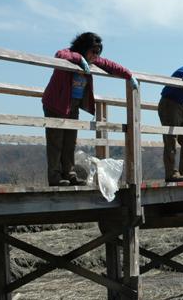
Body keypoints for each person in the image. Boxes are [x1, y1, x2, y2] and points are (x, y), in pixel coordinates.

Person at [41, 32, 136, 187]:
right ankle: (55, 177)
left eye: (98, 52)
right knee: (56, 141)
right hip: (56, 103)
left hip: (73, 105)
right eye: (93, 52)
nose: (95, 56)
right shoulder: (69, 54)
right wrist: (80, 59)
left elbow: (110, 65)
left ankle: (69, 174)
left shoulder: (93, 60)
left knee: (70, 141)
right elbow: (59, 55)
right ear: (84, 48)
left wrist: (129, 75)